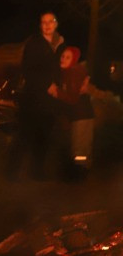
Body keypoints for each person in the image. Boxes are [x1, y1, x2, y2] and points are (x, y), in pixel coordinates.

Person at [8, 11, 64, 180]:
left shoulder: (60, 44)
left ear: (56, 24)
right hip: (33, 99)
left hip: (50, 101)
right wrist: (47, 84)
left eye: (50, 21)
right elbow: (28, 69)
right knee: (24, 136)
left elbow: (61, 68)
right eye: (43, 22)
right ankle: (10, 173)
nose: (47, 25)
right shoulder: (34, 43)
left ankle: (37, 172)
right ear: (40, 25)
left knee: (43, 137)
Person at [52, 46, 95, 175]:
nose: (63, 59)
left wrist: (56, 92)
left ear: (74, 59)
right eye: (63, 56)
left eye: (68, 57)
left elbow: (73, 98)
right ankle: (79, 172)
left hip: (82, 116)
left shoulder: (75, 72)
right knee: (77, 147)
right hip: (75, 115)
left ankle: (81, 173)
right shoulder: (65, 72)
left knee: (80, 149)